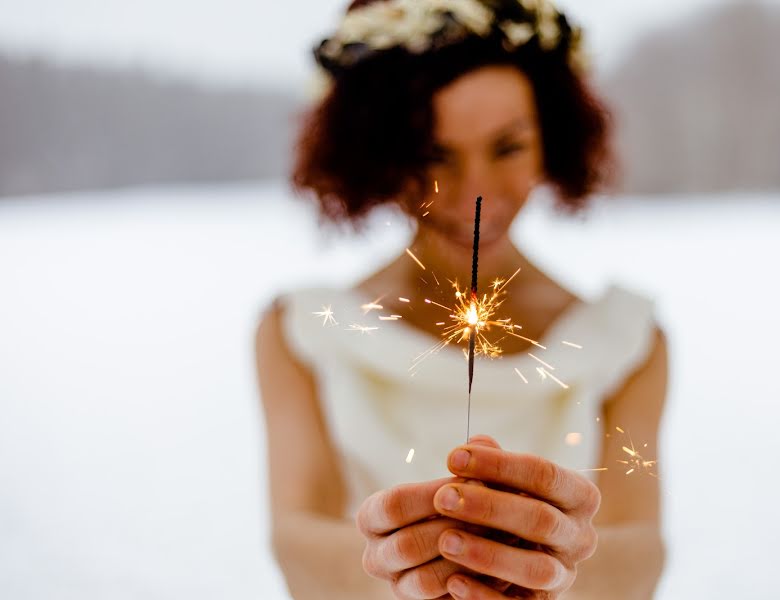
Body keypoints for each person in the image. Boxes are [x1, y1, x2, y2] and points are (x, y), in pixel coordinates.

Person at [255, 1, 668, 598]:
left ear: (551, 139)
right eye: (433, 156)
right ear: (375, 153)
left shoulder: (627, 340)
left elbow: (641, 549)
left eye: (507, 148)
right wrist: (425, 568)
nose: (475, 195)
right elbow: (297, 543)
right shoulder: (298, 332)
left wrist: (552, 572)